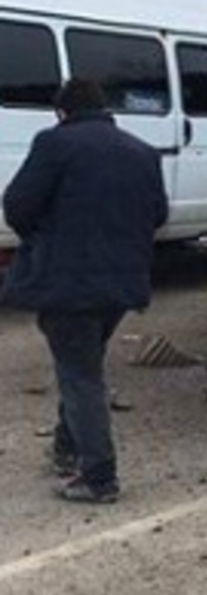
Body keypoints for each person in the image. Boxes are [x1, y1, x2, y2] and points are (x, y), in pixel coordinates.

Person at [1, 78, 169, 503]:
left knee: (80, 376)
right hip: (121, 284)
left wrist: (44, 238)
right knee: (82, 366)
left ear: (62, 112)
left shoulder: (55, 144)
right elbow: (159, 214)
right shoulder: (140, 152)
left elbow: (18, 205)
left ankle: (99, 477)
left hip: (67, 281)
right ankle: (67, 449)